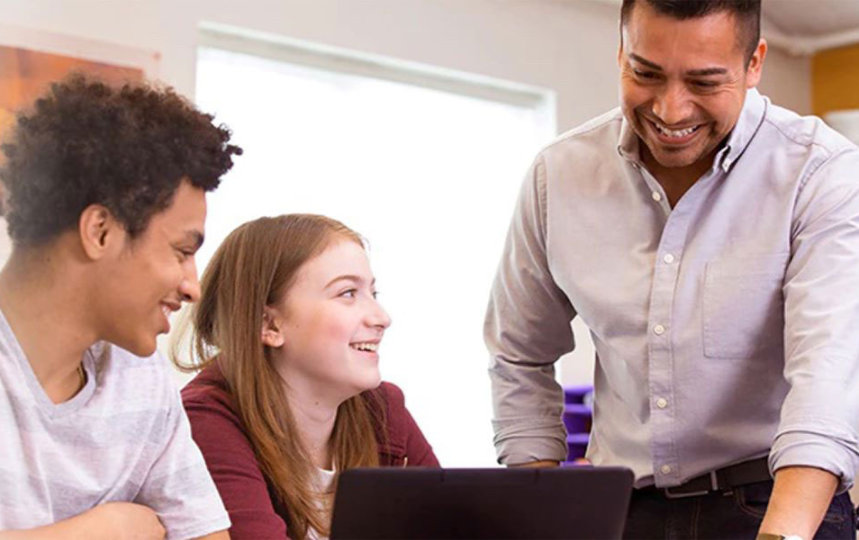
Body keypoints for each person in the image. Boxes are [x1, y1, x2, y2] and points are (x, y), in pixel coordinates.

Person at [485, 1, 859, 538]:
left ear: (754, 63)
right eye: (646, 73)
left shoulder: (821, 174)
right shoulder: (559, 176)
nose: (672, 109)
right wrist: (545, 507)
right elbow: (518, 354)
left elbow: (827, 377)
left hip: (777, 499)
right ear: (621, 52)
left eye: (705, 82)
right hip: (621, 509)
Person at [0, 74, 242, 539]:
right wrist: (111, 528)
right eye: (180, 251)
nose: (193, 287)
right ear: (101, 232)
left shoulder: (141, 380)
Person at [178, 214, 439, 540]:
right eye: (347, 293)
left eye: (374, 292)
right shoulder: (206, 422)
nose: (382, 318)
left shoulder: (383, 409)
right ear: (269, 325)